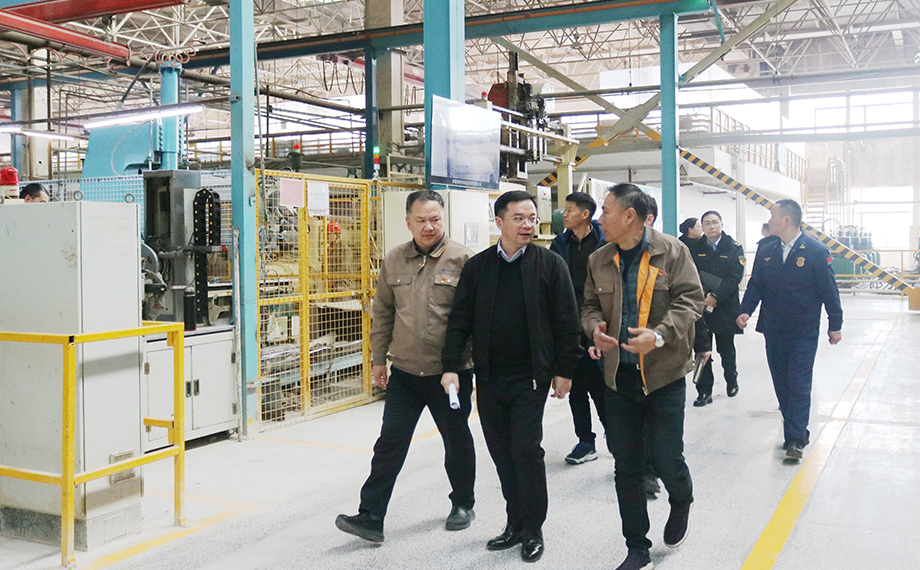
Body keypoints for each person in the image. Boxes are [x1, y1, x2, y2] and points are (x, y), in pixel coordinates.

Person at [441, 190, 583, 563]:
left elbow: (567, 322)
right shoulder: (478, 267)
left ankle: (533, 528)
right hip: (489, 378)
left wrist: (565, 370)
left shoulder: (550, 264)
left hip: (531, 378)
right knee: (502, 453)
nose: (527, 225)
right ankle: (514, 523)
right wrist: (450, 366)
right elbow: (459, 321)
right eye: (519, 218)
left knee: (526, 451)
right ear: (499, 221)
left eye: (532, 218)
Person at [335, 190, 477, 542]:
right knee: (389, 443)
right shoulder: (394, 259)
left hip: (449, 375)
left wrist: (465, 367)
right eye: (421, 220)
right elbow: (382, 313)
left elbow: (476, 321)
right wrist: (378, 359)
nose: (429, 227)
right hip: (405, 373)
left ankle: (463, 503)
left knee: (456, 441)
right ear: (408, 222)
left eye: (435, 219)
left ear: (443, 219)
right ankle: (371, 516)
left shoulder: (464, 260)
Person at [582, 183, 704, 570]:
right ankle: (637, 547)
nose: (599, 219)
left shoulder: (673, 251)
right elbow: (588, 305)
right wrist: (594, 328)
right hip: (619, 378)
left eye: (605, 211)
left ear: (629, 216)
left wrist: (660, 335)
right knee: (627, 467)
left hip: (664, 376)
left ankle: (681, 498)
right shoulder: (599, 259)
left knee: (667, 459)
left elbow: (691, 300)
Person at [737, 199, 843, 460]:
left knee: (799, 383)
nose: (769, 220)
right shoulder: (766, 250)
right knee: (782, 382)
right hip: (773, 328)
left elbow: (829, 291)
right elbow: (756, 284)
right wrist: (745, 310)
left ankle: (795, 438)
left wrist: (835, 324)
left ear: (786, 220)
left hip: (803, 330)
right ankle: (794, 427)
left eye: (772, 215)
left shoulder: (816, 251)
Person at [549, 192, 607, 466]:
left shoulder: (605, 243)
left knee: (603, 389)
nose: (564, 214)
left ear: (585, 214)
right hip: (569, 324)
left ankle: (617, 439)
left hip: (599, 324)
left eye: (569, 210)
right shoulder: (559, 244)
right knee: (577, 388)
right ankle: (585, 441)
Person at [690, 210, 745, 406]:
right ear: (702, 227)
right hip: (701, 305)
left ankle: (731, 380)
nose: (711, 226)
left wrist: (716, 297)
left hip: (725, 306)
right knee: (701, 349)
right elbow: (691, 273)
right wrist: (705, 296)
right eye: (707, 223)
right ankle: (704, 391)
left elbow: (735, 276)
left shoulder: (734, 247)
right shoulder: (695, 248)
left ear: (721, 224)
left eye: (715, 222)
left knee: (726, 348)